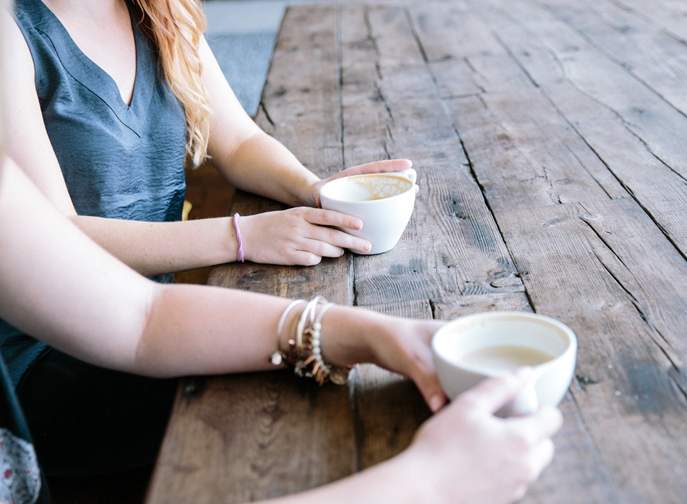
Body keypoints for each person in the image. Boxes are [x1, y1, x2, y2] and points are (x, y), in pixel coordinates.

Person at [0, 0, 409, 474]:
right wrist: (241, 236)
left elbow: (239, 143)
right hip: (44, 353)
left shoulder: (161, 11)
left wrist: (317, 190)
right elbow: (59, 241)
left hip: (155, 317)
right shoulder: (12, 28)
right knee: (263, 416)